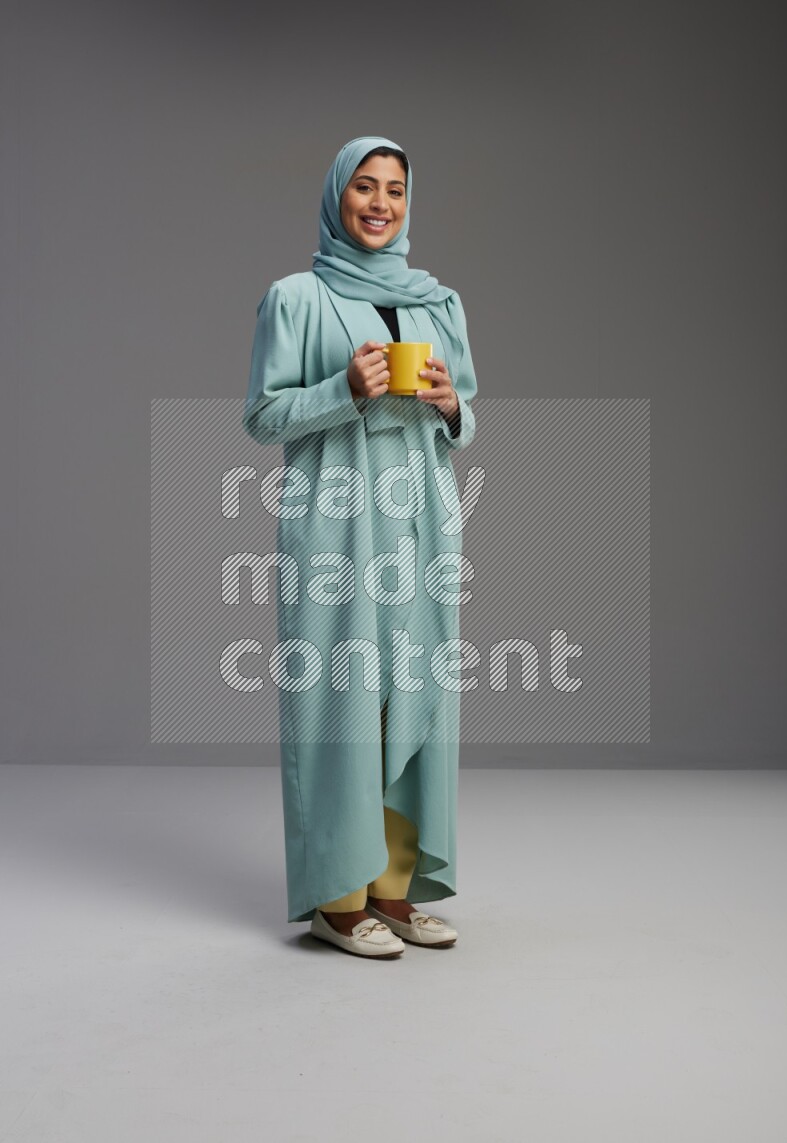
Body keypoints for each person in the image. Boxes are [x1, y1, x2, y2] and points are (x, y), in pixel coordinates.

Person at [242, 135, 478, 958]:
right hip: (337, 525)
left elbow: (467, 417)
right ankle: (337, 900)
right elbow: (262, 417)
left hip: (421, 522)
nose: (381, 204)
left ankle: (394, 888)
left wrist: (450, 405)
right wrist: (341, 389)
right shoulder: (296, 298)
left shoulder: (437, 304)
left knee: (416, 693)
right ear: (337, 195)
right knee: (340, 699)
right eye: (365, 187)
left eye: (396, 190)